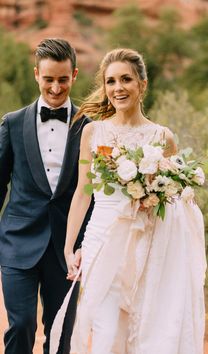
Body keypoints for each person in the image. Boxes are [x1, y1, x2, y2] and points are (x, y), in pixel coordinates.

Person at [63, 48, 207, 354]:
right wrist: (69, 246)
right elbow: (83, 192)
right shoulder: (92, 133)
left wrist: (153, 199)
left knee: (142, 328)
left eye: (126, 79)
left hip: (148, 244)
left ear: (142, 84)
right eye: (111, 81)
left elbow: (174, 200)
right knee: (104, 329)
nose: (118, 88)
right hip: (101, 240)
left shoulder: (162, 137)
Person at [0, 38, 93, 354]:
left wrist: (85, 243)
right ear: (36, 74)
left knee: (60, 332)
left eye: (63, 80)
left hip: (66, 249)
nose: (55, 87)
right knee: (22, 324)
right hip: (17, 242)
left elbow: (92, 192)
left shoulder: (90, 127)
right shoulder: (11, 124)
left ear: (75, 75)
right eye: (49, 79)